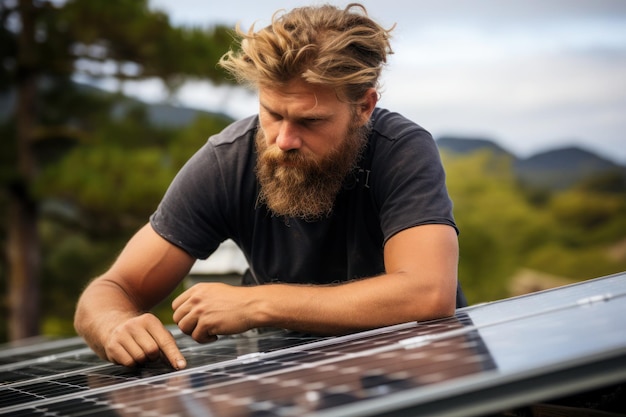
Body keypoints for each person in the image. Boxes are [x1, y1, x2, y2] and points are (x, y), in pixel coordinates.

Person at [74, 3, 464, 370]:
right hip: (290, 381)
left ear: (364, 107)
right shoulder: (227, 163)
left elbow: (427, 293)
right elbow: (112, 288)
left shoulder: (402, 151)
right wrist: (114, 325)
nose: (283, 140)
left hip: (415, 371)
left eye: (309, 122)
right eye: (272, 114)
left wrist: (259, 303)